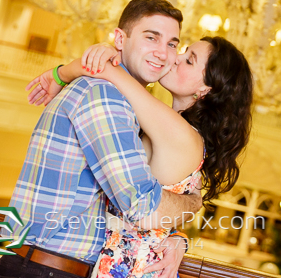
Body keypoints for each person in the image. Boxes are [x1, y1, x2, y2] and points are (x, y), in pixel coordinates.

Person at [25, 20, 253, 278]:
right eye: (184, 51)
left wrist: (62, 73)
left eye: (189, 60)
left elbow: (106, 71)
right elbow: (177, 202)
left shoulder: (182, 135)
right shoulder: (173, 128)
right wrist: (179, 236)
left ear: (205, 89)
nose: (175, 58)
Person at [0, 0, 201, 278]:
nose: (163, 53)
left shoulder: (120, 97)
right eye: (151, 37)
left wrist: (177, 238)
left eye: (172, 44)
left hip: (45, 266)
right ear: (120, 39)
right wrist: (192, 203)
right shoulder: (105, 97)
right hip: (46, 269)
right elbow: (141, 208)